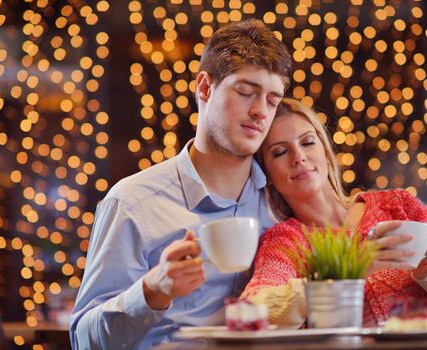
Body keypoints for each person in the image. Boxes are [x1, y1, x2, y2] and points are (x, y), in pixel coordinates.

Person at [70, 19, 292, 349]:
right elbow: (83, 341)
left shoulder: (281, 203)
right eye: (246, 92)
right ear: (204, 87)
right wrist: (150, 292)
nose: (261, 111)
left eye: (272, 101)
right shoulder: (132, 203)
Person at [240, 98, 427, 328]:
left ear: (325, 152)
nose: (299, 157)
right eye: (280, 152)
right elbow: (251, 312)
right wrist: (350, 269)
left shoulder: (397, 204)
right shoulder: (286, 242)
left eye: (307, 142)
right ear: (267, 176)